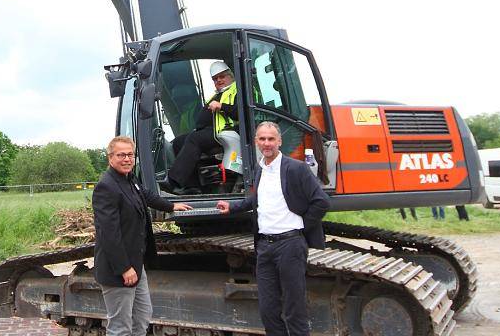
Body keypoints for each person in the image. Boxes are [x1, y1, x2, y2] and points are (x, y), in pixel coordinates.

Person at [215, 122, 330, 336]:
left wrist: (302, 226)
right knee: (268, 310)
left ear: (279, 141)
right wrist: (233, 206)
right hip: (265, 248)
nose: (266, 143)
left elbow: (321, 202)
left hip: (290, 245)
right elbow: (257, 200)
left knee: (294, 310)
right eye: (262, 139)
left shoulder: (296, 168)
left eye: (271, 139)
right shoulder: (261, 169)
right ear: (256, 142)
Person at [93, 136, 192, 336]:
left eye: (130, 154)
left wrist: (171, 205)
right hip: (119, 270)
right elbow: (109, 235)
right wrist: (124, 268)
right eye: (121, 155)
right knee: (120, 326)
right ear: (110, 157)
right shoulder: (106, 187)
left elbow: (145, 194)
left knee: (143, 316)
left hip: (136, 264)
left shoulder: (129, 179)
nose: (127, 159)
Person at [163, 60, 240, 194]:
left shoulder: (239, 90)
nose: (219, 80)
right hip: (214, 131)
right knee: (179, 141)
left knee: (195, 139)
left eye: (222, 77)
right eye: (215, 79)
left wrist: (222, 107)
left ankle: (173, 181)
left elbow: (242, 112)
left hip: (229, 131)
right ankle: (192, 186)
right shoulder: (217, 94)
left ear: (231, 76)